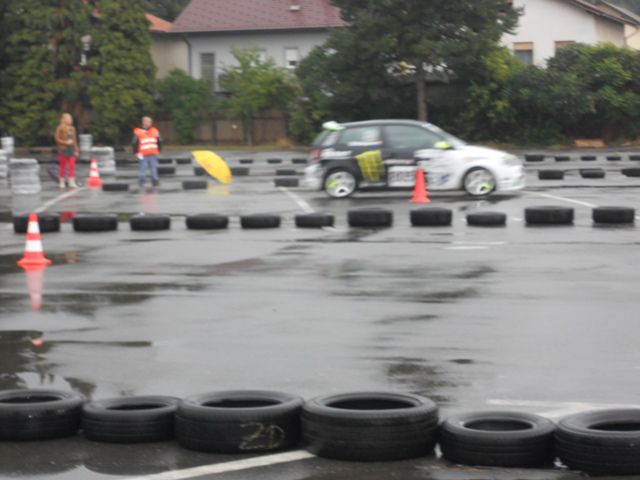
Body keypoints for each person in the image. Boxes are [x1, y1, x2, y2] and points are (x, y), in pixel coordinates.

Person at [132, 116, 162, 187]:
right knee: (142, 169)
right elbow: (134, 142)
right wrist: (135, 152)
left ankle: (155, 181)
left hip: (153, 153)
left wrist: (159, 150)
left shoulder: (155, 130)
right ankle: (141, 182)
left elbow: (159, 141)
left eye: (150, 121)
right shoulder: (137, 131)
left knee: (153, 168)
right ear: (144, 122)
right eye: (148, 121)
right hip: (143, 154)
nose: (150, 123)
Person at [54, 113, 79, 189]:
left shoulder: (72, 128)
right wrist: (65, 142)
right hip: (63, 149)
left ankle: (71, 181)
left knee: (72, 165)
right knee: (63, 166)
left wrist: (76, 150)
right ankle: (62, 181)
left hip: (71, 149)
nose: (71, 120)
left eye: (71, 119)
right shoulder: (60, 128)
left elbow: (74, 140)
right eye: (69, 119)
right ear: (64, 120)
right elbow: (56, 139)